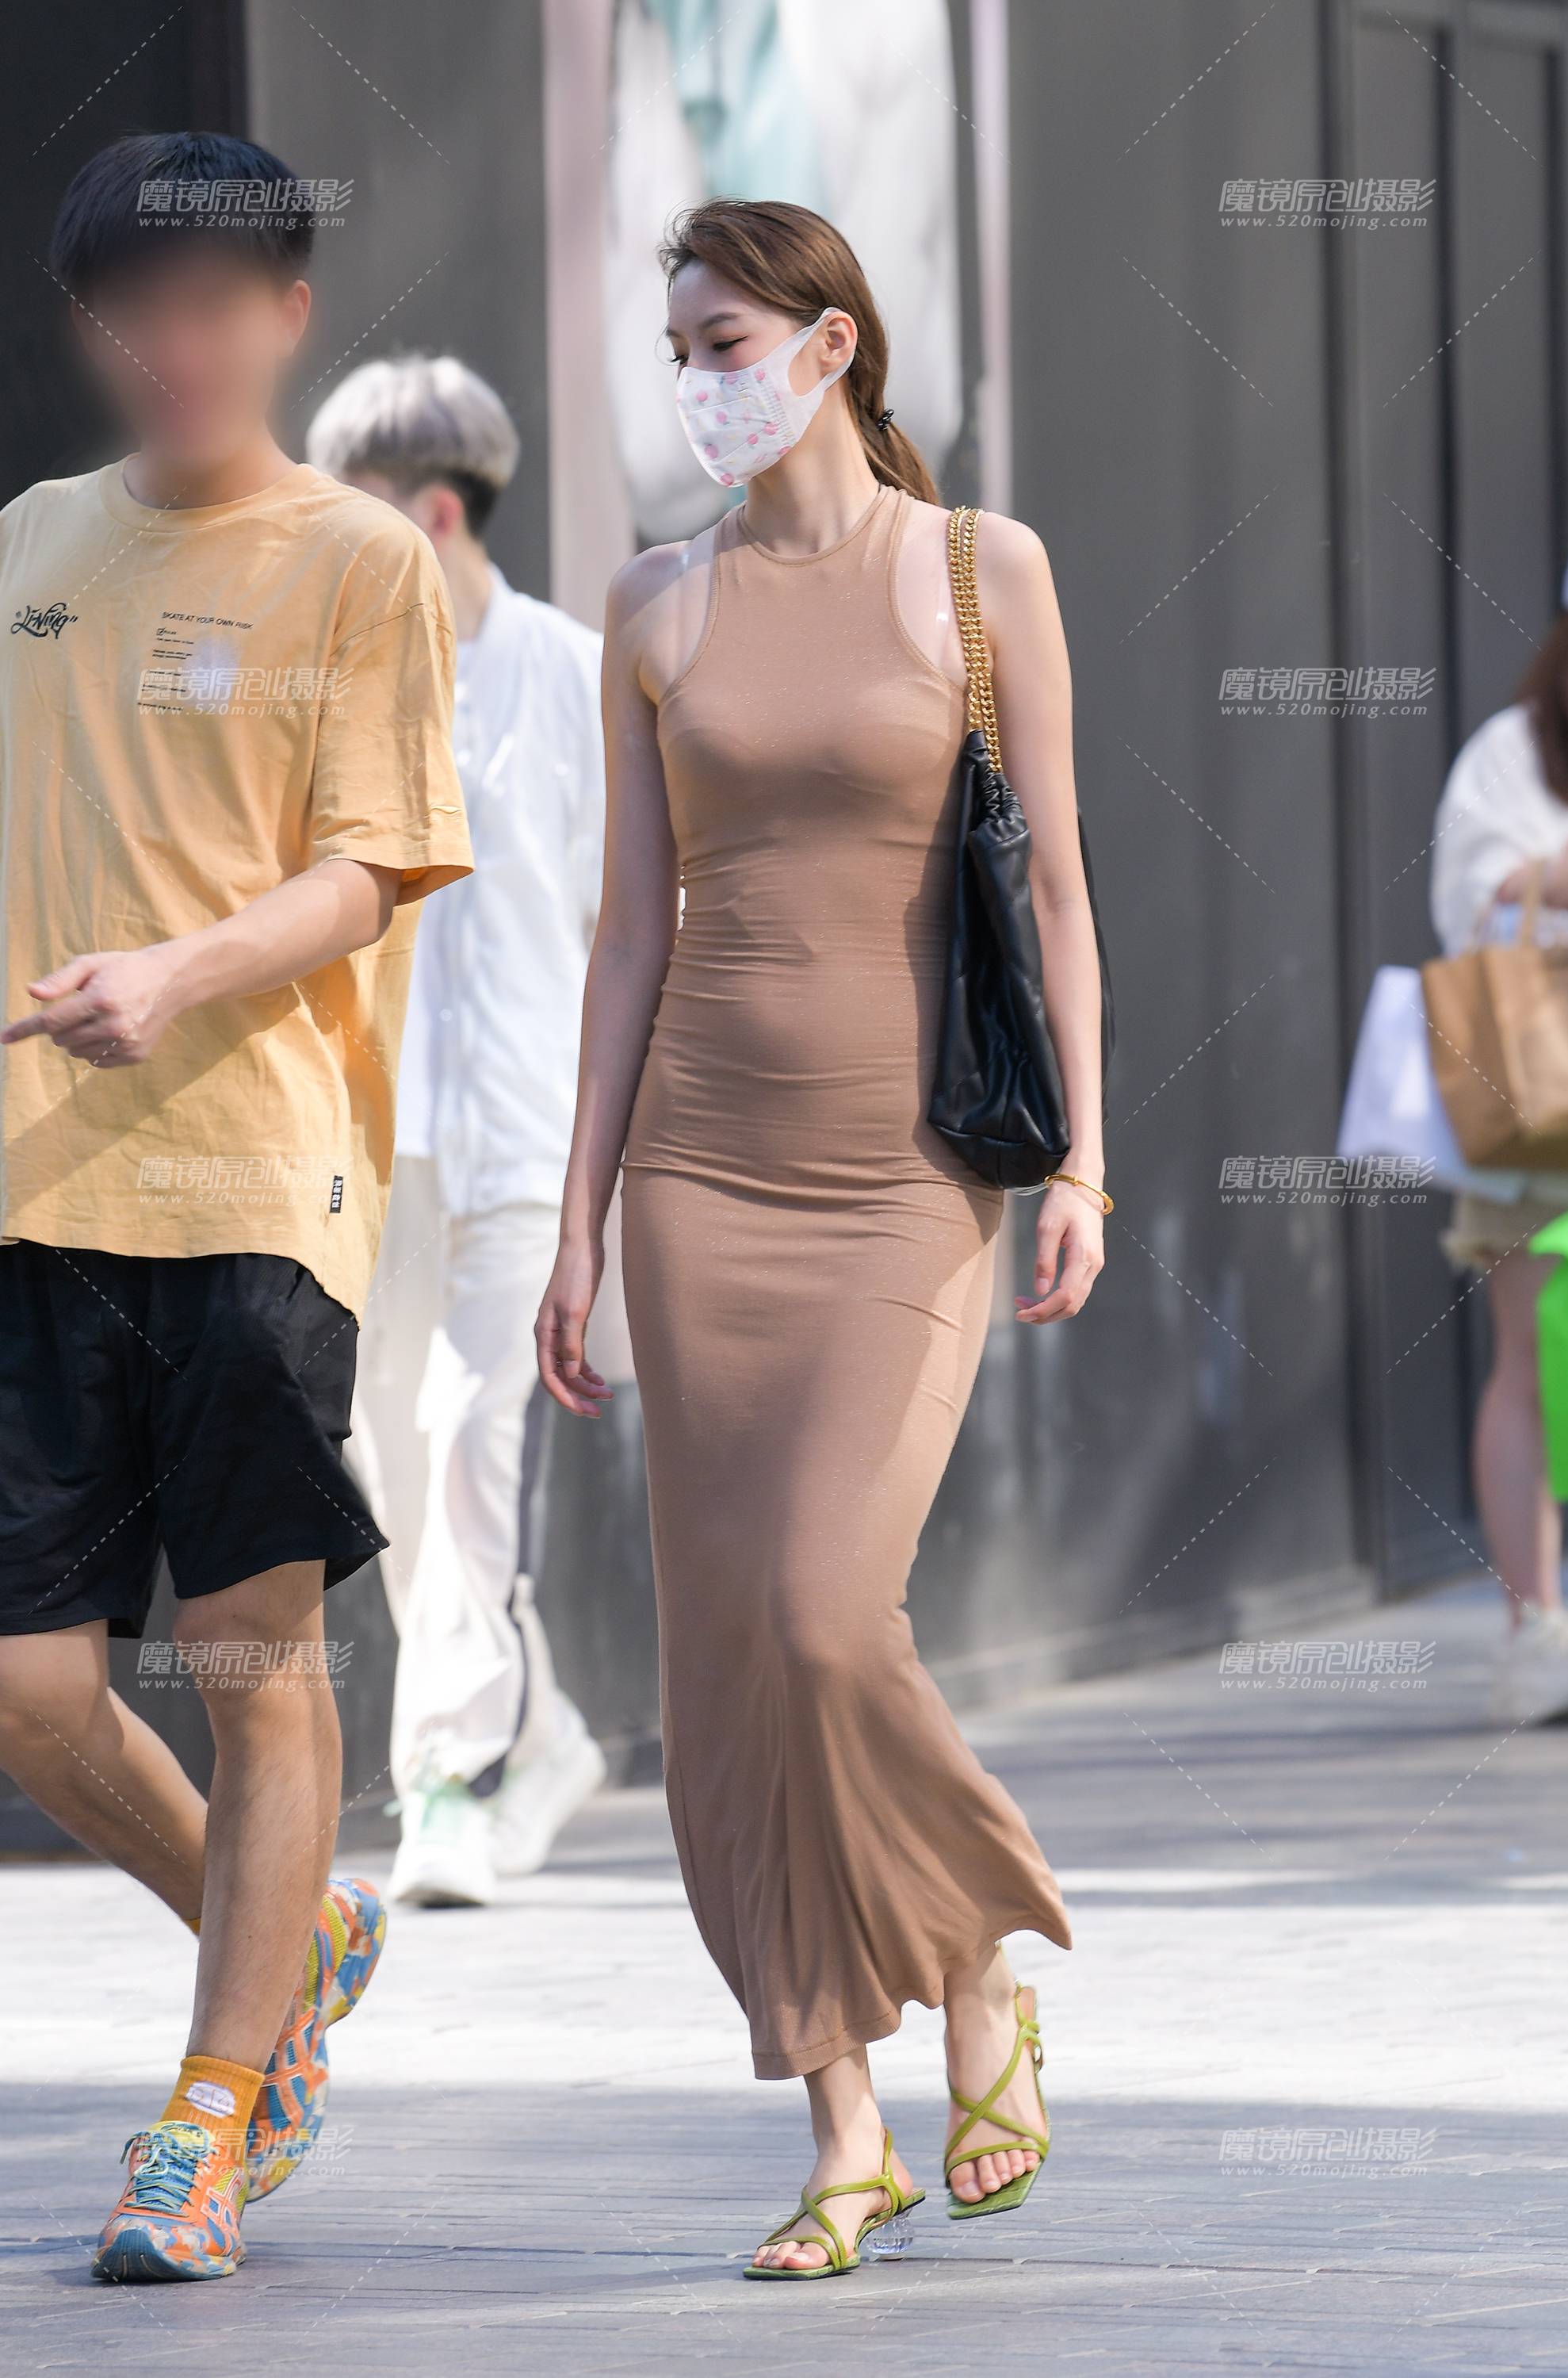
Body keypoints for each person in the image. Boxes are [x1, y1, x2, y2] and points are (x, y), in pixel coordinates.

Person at [536, 198, 1107, 2278]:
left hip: (910, 1173)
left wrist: (1086, 1168)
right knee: (731, 1668)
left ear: (829, 343)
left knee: (821, 1615)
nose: (696, 381)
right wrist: (580, 1225)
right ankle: (842, 2126)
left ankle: (976, 1964)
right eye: (677, 348)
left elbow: (1056, 895)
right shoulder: (651, 603)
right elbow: (629, 940)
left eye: (721, 342)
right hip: (699, 1178)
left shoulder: (978, 569)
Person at [0, 133, 470, 2281]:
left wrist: (179, 976)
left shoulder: (360, 562)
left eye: (212, 307)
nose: (171, 348)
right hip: (35, 1187)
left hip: (261, 1176)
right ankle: (284, 1940)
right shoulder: (30, 545)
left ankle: (208, 2117)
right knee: (26, 1692)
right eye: (134, 311)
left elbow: (369, 867)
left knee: (247, 1651)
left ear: (284, 316)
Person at [306, 357, 607, 1905]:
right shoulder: (324, 683)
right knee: (401, 1477)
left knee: (468, 1443)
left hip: (531, 1138)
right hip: (375, 1146)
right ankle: (543, 1733)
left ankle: (446, 1782)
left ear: (431, 515)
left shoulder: (579, 676)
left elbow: (629, 921)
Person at [1430, 538, 1568, 1725]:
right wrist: (1564, 878)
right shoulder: (1510, 758)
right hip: (1543, 1101)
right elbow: (1470, 918)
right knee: (1531, 1356)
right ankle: (1537, 1633)